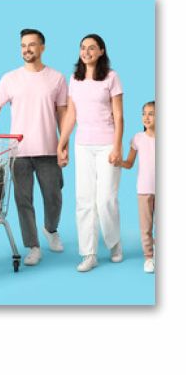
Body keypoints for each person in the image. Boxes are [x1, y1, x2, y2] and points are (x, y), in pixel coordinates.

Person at [0, 29, 67, 266]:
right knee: (23, 200)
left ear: (42, 47)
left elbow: (63, 113)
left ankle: (51, 229)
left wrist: (63, 144)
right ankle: (33, 246)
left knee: (54, 197)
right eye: (23, 45)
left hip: (48, 149)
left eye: (31, 45)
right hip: (18, 152)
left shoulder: (57, 78)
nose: (26, 49)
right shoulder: (9, 78)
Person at [57, 34, 124, 272]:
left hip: (107, 145)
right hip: (83, 146)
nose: (86, 52)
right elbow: (71, 116)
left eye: (91, 48)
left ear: (101, 51)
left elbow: (119, 116)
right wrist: (61, 143)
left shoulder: (111, 78)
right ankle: (89, 253)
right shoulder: (74, 80)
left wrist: (117, 147)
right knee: (84, 200)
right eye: (83, 48)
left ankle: (114, 243)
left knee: (106, 199)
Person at [119, 101, 155, 273]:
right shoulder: (138, 138)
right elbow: (129, 163)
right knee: (146, 227)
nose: (146, 117)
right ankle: (149, 257)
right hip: (144, 190)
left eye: (151, 113)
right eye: (144, 113)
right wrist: (119, 162)